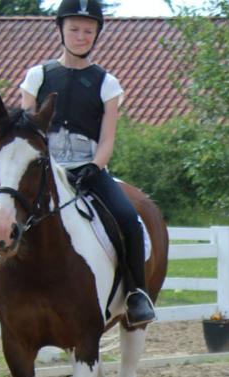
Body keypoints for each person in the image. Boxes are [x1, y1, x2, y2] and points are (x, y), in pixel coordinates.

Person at [18, 0, 155, 326]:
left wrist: (95, 165)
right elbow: (25, 130)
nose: (81, 36)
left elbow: (107, 138)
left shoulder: (107, 83)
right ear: (61, 30)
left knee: (128, 219)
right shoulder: (37, 76)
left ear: (96, 35)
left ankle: (136, 294)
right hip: (42, 169)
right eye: (75, 29)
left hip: (87, 169)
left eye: (88, 31)